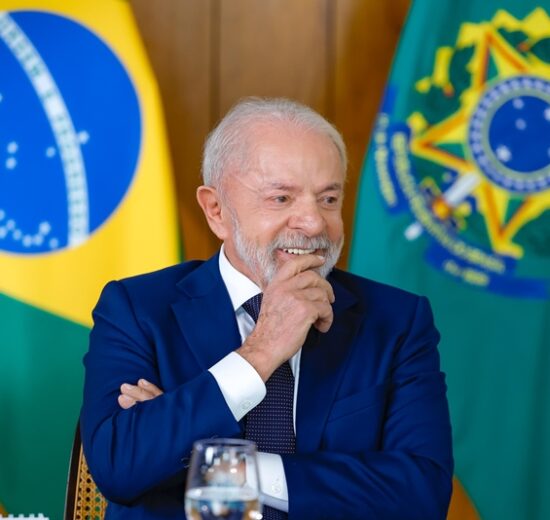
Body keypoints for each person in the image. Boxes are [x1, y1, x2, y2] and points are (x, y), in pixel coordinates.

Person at [80, 97, 453, 519]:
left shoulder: (397, 321)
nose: (314, 223)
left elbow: (422, 494)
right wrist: (262, 350)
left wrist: (218, 465)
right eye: (281, 198)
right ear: (216, 210)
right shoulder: (136, 309)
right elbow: (120, 466)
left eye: (329, 199)